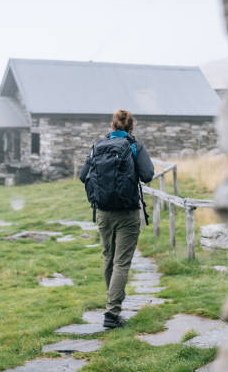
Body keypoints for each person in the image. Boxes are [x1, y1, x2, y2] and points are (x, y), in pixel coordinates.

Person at [79, 109, 154, 329]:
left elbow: (83, 176)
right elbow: (148, 175)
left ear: (112, 126)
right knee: (121, 262)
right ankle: (112, 313)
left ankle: (113, 300)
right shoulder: (134, 146)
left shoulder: (97, 146)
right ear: (131, 127)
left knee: (108, 257)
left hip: (103, 212)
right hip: (128, 213)